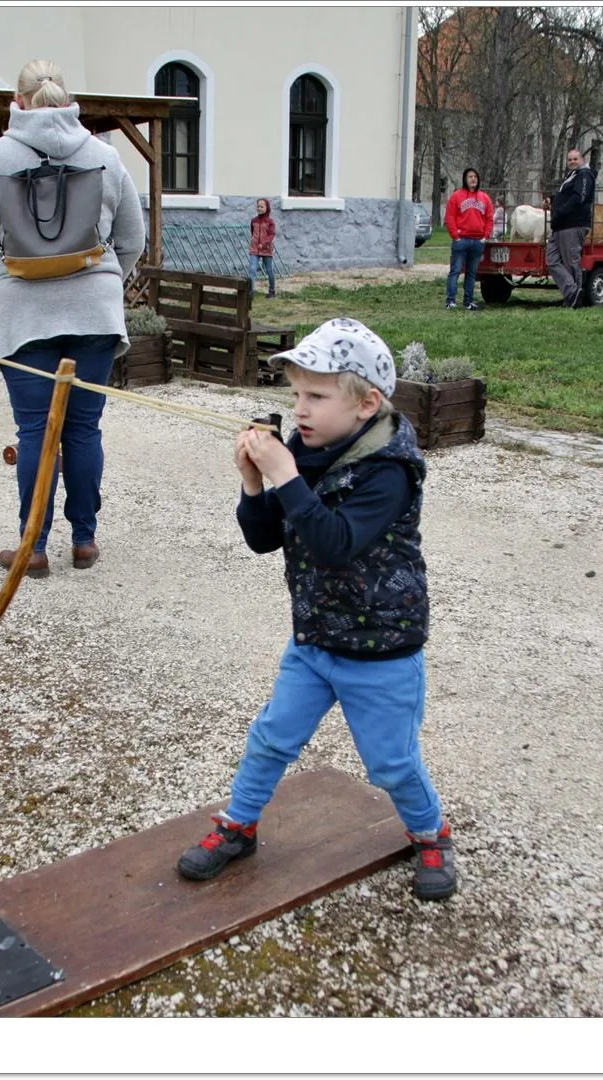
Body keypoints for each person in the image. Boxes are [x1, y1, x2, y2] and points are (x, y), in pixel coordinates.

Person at [174, 317, 456, 903]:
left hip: (382, 647)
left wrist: (285, 477)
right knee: (271, 737)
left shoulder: (390, 473)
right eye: (296, 394)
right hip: (314, 639)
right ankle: (240, 825)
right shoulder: (305, 449)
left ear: (366, 404)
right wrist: (255, 486)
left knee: (391, 763)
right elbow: (264, 539)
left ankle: (431, 832)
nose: (299, 410)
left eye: (317, 397)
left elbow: (333, 543)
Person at [0, 59, 146, 576]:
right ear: (69, 101)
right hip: (94, 314)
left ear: (16, 104)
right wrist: (102, 282)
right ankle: (84, 540)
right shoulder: (105, 156)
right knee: (84, 429)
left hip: (23, 309)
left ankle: (33, 546)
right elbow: (133, 239)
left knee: (35, 429)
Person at [542, 147, 596, 308]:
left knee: (571, 261)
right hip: (560, 225)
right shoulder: (571, 176)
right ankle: (572, 292)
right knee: (551, 260)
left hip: (573, 224)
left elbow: (579, 197)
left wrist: (560, 211)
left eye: (575, 159)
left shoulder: (585, 175)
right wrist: (552, 201)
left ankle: (574, 298)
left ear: (582, 160)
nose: (572, 162)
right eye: (570, 159)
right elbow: (564, 195)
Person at [444, 167, 494, 311]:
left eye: (475, 177)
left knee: (471, 273)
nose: (473, 179)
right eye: (470, 177)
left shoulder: (484, 198)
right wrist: (456, 236)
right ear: (465, 179)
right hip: (462, 240)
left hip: (477, 241)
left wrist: (485, 236)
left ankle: (468, 302)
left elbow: (489, 218)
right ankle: (451, 301)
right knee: (455, 271)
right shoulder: (457, 196)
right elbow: (450, 217)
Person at [248, 197, 276, 298]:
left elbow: (271, 235)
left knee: (269, 270)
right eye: (258, 206)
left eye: (262, 206)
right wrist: (255, 242)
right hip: (254, 248)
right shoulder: (253, 221)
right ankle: (250, 292)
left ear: (267, 208)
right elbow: (252, 232)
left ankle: (272, 291)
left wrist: (263, 243)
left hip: (266, 249)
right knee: (252, 269)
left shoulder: (270, 222)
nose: (259, 208)